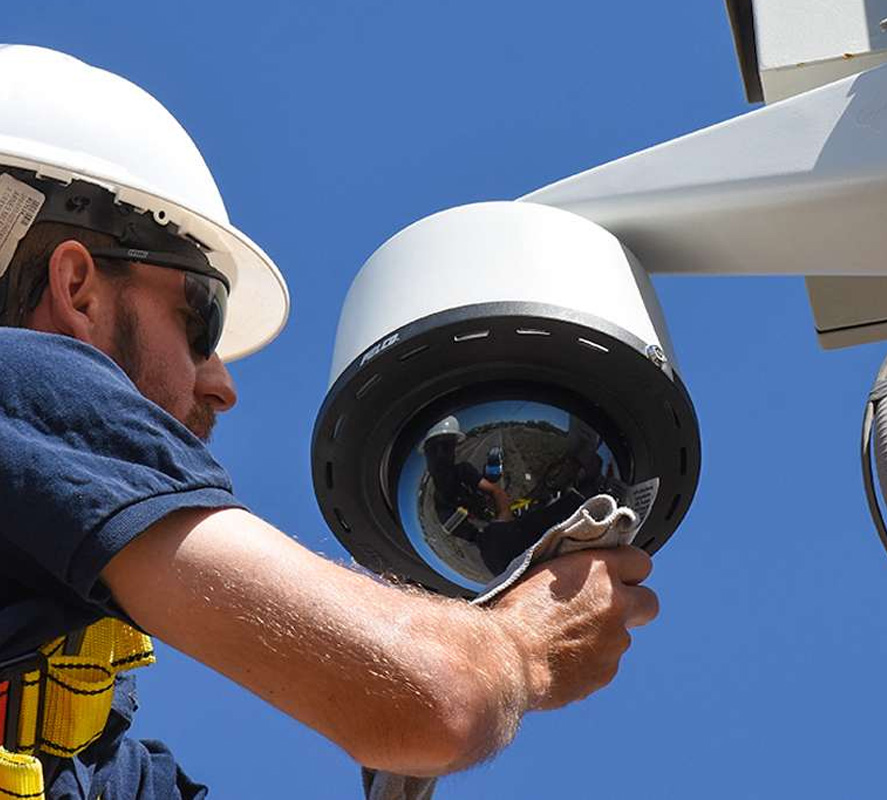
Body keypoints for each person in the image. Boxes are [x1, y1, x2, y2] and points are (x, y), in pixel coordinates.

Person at [0, 45, 658, 800]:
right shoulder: (22, 378)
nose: (220, 384)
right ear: (78, 289)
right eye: (201, 319)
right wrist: (514, 649)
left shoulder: (68, 751)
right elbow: (439, 699)